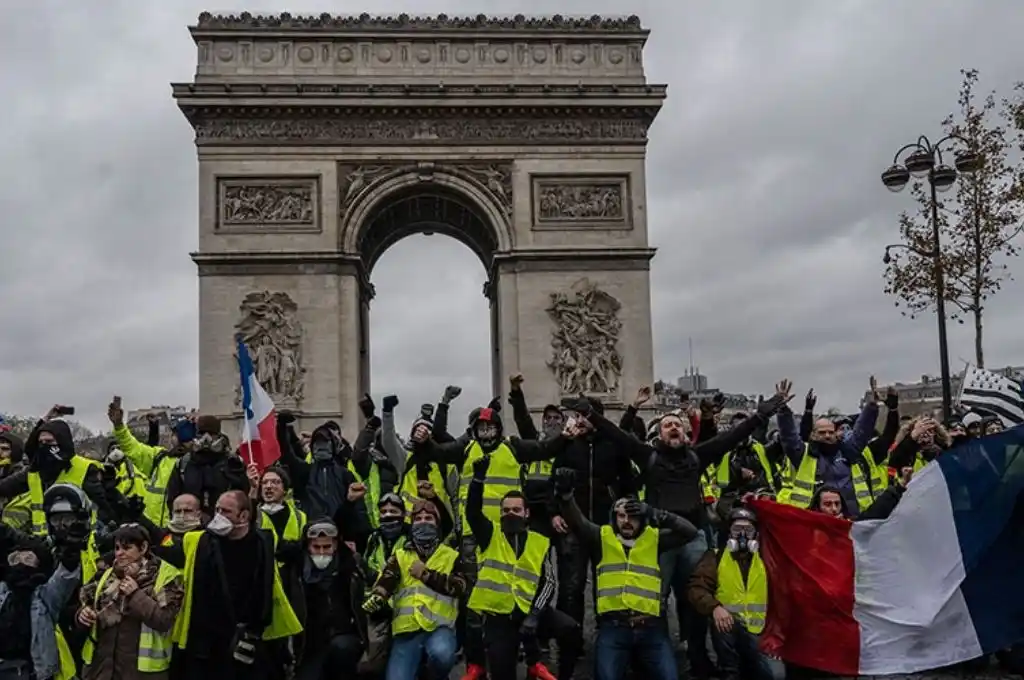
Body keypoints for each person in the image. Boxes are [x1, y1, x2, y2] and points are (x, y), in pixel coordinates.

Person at [572, 380, 792, 677]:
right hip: (658, 539)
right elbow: (619, 436)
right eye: (667, 426)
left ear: (686, 434)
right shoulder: (647, 456)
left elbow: (731, 437)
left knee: (696, 600)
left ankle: (698, 656)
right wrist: (592, 415)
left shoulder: (697, 457)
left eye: (678, 425)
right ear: (659, 435)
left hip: (694, 536)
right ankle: (648, 658)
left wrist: (761, 414)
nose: (673, 428)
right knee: (654, 600)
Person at [412, 403, 569, 680]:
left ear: (498, 428)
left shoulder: (514, 446)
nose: (486, 432)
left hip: (510, 532)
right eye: (481, 428)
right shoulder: (464, 450)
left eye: (490, 427)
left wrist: (566, 437)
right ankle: (476, 664)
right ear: (474, 430)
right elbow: (438, 452)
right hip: (476, 534)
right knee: (474, 604)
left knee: (523, 593)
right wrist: (423, 440)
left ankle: (533, 659)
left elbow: (544, 450)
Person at [552, 468, 699, 680]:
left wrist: (657, 513)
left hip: (651, 629)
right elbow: (579, 523)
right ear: (614, 518)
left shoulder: (654, 539)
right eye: (621, 516)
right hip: (614, 628)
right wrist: (566, 497)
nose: (627, 521)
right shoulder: (602, 537)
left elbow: (690, 532)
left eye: (633, 516)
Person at [152, 490, 302, 680]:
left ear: (244, 516)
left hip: (243, 641)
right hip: (205, 642)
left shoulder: (262, 543)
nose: (219, 516)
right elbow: (167, 552)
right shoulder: (201, 541)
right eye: (217, 510)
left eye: (226, 512)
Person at [465, 453, 579, 680]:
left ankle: (556, 674)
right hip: (500, 619)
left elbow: (549, 582)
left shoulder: (540, 541)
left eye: (516, 510)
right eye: (506, 510)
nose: (510, 514)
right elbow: (473, 513)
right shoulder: (490, 535)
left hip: (531, 612)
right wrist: (478, 481)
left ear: (526, 513)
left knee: (571, 630)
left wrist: (534, 615)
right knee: (502, 673)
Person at [363, 500, 467, 680]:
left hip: (439, 628)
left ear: (437, 523)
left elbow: (461, 587)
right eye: (418, 519)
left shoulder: (451, 555)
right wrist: (378, 596)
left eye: (429, 518)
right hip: (406, 631)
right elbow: (387, 580)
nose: (423, 522)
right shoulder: (401, 555)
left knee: (441, 655)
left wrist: (427, 576)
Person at [78, 523, 185, 680]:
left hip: (142, 673)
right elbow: (86, 604)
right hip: (102, 669)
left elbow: (164, 621)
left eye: (126, 548)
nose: (119, 553)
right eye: (117, 548)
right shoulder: (108, 574)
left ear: (143, 548)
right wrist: (82, 615)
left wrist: (135, 594)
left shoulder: (166, 575)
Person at [688, 507, 784, 680]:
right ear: (728, 533)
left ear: (756, 535)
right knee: (724, 632)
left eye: (748, 530)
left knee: (775, 675)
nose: (742, 535)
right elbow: (697, 588)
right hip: (729, 630)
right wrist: (714, 607)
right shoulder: (716, 557)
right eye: (737, 529)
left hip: (761, 633)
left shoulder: (767, 559)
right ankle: (729, 671)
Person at [776, 377, 887, 517]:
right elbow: (788, 436)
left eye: (830, 432)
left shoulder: (848, 451)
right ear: (813, 435)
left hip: (852, 519)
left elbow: (862, 432)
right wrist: (782, 409)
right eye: (822, 432)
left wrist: (872, 406)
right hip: (816, 521)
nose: (827, 435)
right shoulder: (804, 454)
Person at [0, 418, 110, 536]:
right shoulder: (35, 470)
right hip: (44, 542)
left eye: (49, 442)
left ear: (62, 442)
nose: (44, 446)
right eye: (40, 442)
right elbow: (4, 487)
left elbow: (104, 509)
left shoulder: (85, 468)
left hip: (80, 541)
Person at [0, 522, 82, 680]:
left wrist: (70, 554)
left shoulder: (44, 596)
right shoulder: (3, 591)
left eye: (28, 558)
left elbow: (65, 579)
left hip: (34, 672)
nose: (20, 562)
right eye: (15, 558)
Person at [107, 401, 200, 527]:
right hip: (153, 530)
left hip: (178, 531)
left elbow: (131, 447)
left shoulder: (196, 462)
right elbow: (132, 447)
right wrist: (118, 426)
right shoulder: (160, 457)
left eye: (173, 434)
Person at [294, 519, 363, 680]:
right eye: (316, 547)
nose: (322, 552)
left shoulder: (351, 566)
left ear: (336, 546)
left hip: (342, 636)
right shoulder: (295, 572)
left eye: (327, 547)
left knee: (343, 650)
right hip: (307, 642)